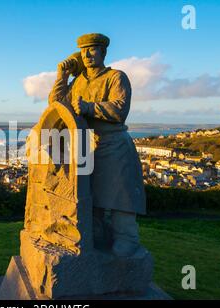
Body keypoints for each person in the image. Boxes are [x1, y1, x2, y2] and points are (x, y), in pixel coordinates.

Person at [48, 33, 146, 257]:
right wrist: (62, 77)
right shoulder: (78, 81)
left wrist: (89, 108)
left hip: (114, 144)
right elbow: (57, 106)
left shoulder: (116, 77)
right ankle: (97, 233)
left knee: (120, 192)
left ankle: (126, 236)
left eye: (93, 49)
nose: (87, 54)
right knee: (91, 194)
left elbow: (120, 109)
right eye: (84, 51)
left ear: (103, 52)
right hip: (87, 145)